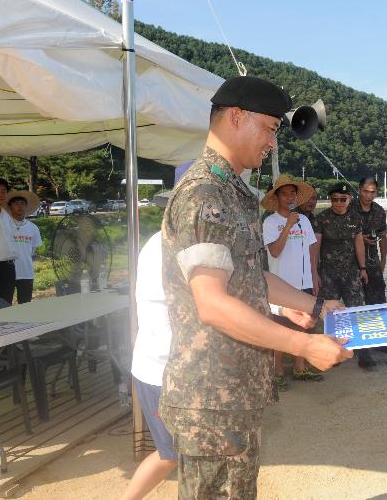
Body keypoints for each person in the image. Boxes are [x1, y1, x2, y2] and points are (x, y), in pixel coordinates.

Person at [159, 76, 353, 499]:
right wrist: (302, 346)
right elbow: (212, 304)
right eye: (269, 129)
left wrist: (318, 305)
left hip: (233, 388)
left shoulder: (233, 191)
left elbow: (252, 275)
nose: (272, 143)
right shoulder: (205, 193)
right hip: (211, 394)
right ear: (236, 117)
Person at [121, 231, 177, 500]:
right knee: (170, 454)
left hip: (178, 368)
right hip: (160, 370)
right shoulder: (164, 246)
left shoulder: (183, 239)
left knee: (189, 452)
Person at [262, 175, 323, 387]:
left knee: (303, 326)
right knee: (280, 327)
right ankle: (277, 372)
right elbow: (275, 252)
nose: (290, 197)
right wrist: (287, 226)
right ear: (277, 197)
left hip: (304, 283)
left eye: (293, 193)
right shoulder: (270, 222)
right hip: (281, 285)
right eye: (285, 193)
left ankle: (300, 368)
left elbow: (311, 251)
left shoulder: (304, 220)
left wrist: (314, 277)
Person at [315, 181, 373, 368]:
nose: (339, 203)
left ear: (349, 199)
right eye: (335, 199)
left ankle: (364, 354)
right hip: (329, 273)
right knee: (331, 315)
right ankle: (333, 352)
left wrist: (363, 268)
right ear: (330, 200)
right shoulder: (322, 218)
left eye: (343, 199)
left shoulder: (356, 218)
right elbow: (315, 247)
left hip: (351, 273)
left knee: (357, 311)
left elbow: (359, 243)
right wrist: (315, 272)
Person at [6, 190, 43, 304]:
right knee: (4, 305)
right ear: (10, 206)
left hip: (26, 273)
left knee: (25, 305)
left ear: (26, 206)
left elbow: (33, 250)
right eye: (16, 203)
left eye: (22, 203)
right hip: (6, 273)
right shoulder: (3, 226)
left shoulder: (33, 228)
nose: (19, 206)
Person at [355, 177, 387, 306]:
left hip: (373, 263)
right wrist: (360, 238)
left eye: (372, 192)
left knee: (378, 302)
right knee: (354, 304)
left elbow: (383, 236)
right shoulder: (348, 208)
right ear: (359, 190)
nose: (369, 195)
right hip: (351, 264)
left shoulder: (379, 211)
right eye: (365, 191)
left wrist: (383, 261)